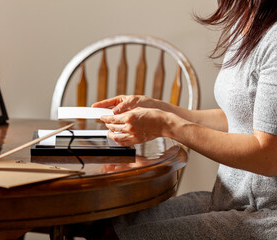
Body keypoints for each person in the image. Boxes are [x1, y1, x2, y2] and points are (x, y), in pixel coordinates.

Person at [88, 0, 277, 239]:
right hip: (227, 200)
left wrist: (167, 125)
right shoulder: (247, 21)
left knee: (113, 236)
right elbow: (239, 118)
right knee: (105, 225)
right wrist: (159, 108)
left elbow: (268, 156)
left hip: (264, 216)